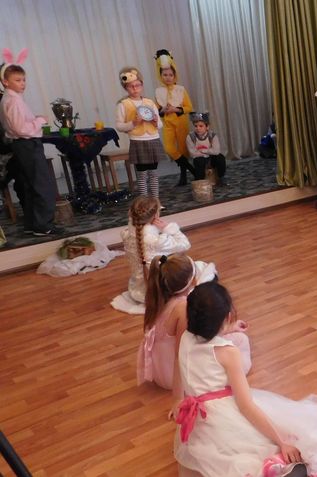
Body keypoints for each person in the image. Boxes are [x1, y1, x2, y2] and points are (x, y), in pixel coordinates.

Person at [173, 282, 317, 477]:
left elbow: (202, 342)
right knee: (289, 436)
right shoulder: (228, 353)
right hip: (225, 417)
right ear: (226, 317)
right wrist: (282, 441)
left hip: (201, 424)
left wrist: (228, 328)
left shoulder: (185, 338)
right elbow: (246, 406)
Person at [138, 253, 250, 392]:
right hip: (172, 376)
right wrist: (178, 397)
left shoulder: (158, 298)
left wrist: (230, 327)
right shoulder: (182, 308)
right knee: (241, 340)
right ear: (191, 281)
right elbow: (183, 351)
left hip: (157, 371)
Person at [0, 48, 61, 236]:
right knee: (42, 184)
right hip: (26, 144)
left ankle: (32, 224)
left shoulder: (10, 99)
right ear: (5, 82)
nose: (23, 84)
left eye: (24, 80)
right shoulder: (13, 101)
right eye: (18, 80)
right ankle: (43, 225)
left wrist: (33, 120)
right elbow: (21, 129)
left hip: (21, 145)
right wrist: (40, 121)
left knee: (29, 184)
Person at [111, 196, 190, 315]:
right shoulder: (157, 241)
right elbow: (185, 244)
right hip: (160, 293)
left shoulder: (126, 234)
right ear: (156, 215)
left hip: (137, 291)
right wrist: (168, 229)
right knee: (192, 264)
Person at [115, 66, 166, 199]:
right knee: (142, 175)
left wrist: (155, 122)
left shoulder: (149, 102)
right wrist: (133, 123)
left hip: (153, 139)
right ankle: (144, 201)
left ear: (142, 85)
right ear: (125, 87)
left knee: (153, 173)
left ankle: (155, 201)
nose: (135, 89)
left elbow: (160, 124)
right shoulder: (123, 104)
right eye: (131, 86)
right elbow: (119, 126)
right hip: (138, 141)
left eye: (137, 85)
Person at [154, 50, 196, 186]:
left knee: (183, 149)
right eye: (165, 75)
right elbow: (156, 110)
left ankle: (183, 176)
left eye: (170, 75)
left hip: (181, 122)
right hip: (168, 124)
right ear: (160, 75)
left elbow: (189, 107)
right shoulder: (158, 91)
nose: (168, 77)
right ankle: (193, 170)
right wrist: (163, 110)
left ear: (174, 75)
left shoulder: (180, 89)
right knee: (169, 148)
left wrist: (175, 109)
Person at [186, 112, 226, 186]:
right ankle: (200, 181)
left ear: (207, 127)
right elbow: (193, 153)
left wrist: (204, 150)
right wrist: (208, 152)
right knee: (199, 161)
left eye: (201, 126)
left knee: (220, 158)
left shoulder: (212, 135)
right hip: (200, 158)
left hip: (211, 158)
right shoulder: (190, 137)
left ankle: (221, 177)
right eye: (196, 126)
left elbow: (216, 151)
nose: (198, 128)